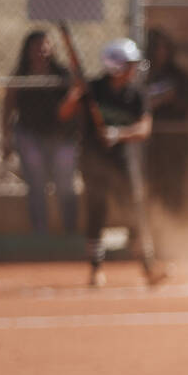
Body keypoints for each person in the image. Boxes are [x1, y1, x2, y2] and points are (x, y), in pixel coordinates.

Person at [66, 38, 164, 287]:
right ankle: (95, 270)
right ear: (116, 66)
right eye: (129, 65)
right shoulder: (93, 90)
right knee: (97, 211)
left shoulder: (136, 94)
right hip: (93, 160)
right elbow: (64, 113)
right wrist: (75, 95)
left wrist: (118, 134)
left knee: (135, 210)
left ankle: (148, 265)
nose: (133, 70)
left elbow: (144, 129)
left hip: (122, 161)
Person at [1, 30, 80, 235]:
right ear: (27, 50)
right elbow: (8, 106)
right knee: (36, 185)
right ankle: (40, 233)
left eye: (45, 45)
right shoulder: (20, 75)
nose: (41, 50)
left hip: (61, 136)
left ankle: (69, 230)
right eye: (36, 46)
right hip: (29, 134)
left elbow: (75, 103)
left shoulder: (62, 74)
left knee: (65, 184)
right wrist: (6, 137)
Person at [144, 28, 188, 214]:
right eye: (157, 48)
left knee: (174, 186)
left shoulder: (179, 76)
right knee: (151, 185)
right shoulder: (144, 75)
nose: (161, 52)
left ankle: (175, 222)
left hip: (174, 141)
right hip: (149, 141)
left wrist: (171, 99)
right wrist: (156, 101)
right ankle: (152, 227)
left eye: (165, 48)